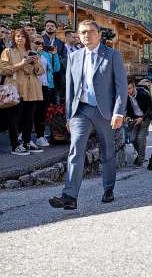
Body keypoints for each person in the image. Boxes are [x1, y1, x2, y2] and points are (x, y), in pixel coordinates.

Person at [49, 20, 127, 210]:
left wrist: (119, 112)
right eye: (83, 32)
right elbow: (70, 88)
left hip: (105, 112)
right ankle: (70, 196)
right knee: (75, 150)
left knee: (107, 151)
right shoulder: (74, 57)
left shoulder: (112, 55)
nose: (86, 35)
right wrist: (68, 116)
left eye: (91, 31)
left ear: (99, 34)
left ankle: (108, 188)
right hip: (81, 110)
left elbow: (121, 87)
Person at [0, 28, 44, 155]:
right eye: (17, 36)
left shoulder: (32, 52)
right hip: (15, 88)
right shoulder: (8, 51)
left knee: (29, 117)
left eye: (23, 36)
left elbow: (41, 71)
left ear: (27, 39)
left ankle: (27, 142)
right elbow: (3, 70)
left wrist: (35, 63)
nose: (20, 38)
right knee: (14, 118)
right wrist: (21, 64)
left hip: (32, 88)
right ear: (14, 38)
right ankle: (15, 145)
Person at [31, 33, 60, 147]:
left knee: (41, 113)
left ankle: (40, 136)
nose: (40, 45)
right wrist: (36, 53)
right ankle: (23, 135)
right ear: (32, 43)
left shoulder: (46, 54)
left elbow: (56, 69)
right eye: (37, 43)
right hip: (33, 86)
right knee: (30, 112)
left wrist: (55, 55)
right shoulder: (30, 54)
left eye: (42, 43)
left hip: (46, 86)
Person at [126, 78, 152, 167]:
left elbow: (150, 108)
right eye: (127, 89)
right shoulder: (126, 97)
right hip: (135, 118)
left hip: (145, 117)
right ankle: (140, 155)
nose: (128, 91)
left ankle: (140, 160)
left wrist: (142, 118)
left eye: (130, 88)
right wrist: (128, 118)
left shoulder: (143, 93)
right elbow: (127, 111)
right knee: (133, 138)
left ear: (134, 87)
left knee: (141, 137)